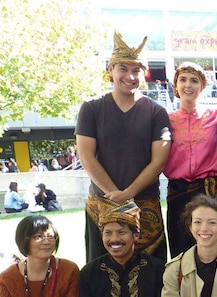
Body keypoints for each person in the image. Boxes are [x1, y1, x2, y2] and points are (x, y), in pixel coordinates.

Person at [76, 30, 172, 263]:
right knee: (102, 274)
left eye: (136, 70)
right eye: (123, 69)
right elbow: (86, 156)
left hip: (144, 204)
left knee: (151, 274)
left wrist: (128, 194)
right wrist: (114, 195)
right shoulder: (91, 108)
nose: (130, 76)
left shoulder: (156, 112)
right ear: (110, 70)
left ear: (144, 73)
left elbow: (158, 161)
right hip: (102, 203)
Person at [163, 61, 217, 258]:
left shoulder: (216, 117)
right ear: (176, 85)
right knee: (181, 248)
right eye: (182, 80)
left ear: (203, 86)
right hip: (178, 192)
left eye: (194, 80)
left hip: (209, 190)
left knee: (213, 247)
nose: (188, 85)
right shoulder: (165, 119)